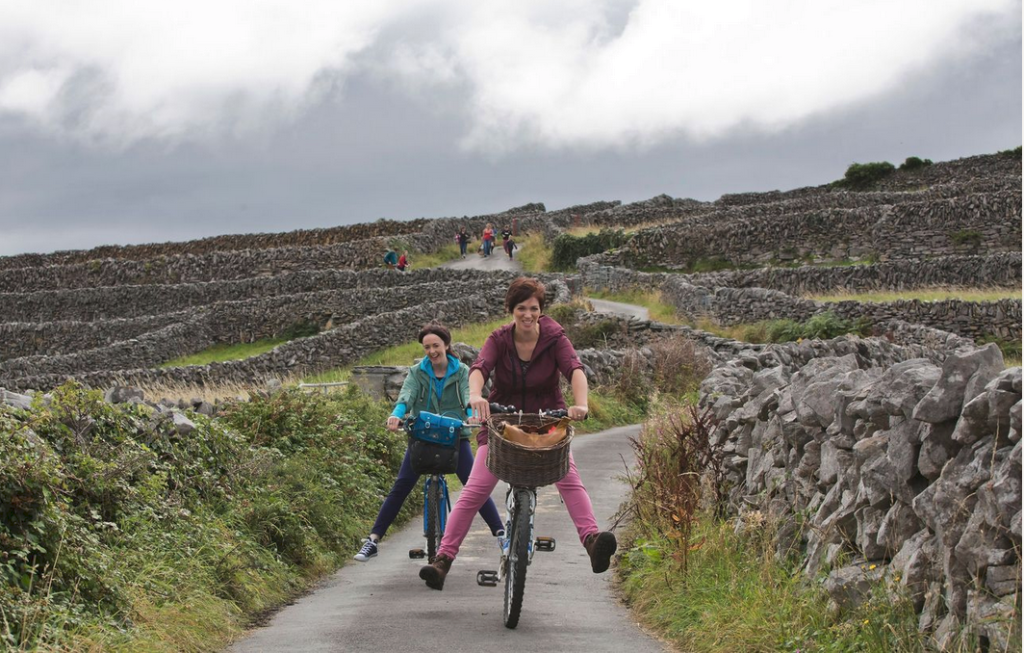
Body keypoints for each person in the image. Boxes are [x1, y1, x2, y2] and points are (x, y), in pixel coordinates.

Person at [418, 278, 617, 589]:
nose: (528, 314)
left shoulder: (555, 338)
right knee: (475, 490)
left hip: (547, 420)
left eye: (534, 308)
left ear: (541, 310)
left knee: (569, 478)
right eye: (521, 308)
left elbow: (574, 370)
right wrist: (476, 396)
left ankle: (592, 541)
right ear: (510, 310)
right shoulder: (499, 339)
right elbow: (480, 369)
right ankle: (443, 560)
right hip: (502, 422)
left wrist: (580, 404)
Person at [354, 322, 504, 562]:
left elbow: (468, 395)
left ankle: (501, 535)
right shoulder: (417, 372)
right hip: (421, 437)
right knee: (401, 486)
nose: (432, 351)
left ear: (446, 344)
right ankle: (372, 540)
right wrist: (396, 414)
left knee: (475, 487)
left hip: (456, 437)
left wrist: (472, 412)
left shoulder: (462, 371)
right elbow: (407, 396)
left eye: (436, 345)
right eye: (427, 347)